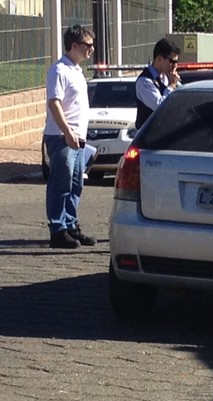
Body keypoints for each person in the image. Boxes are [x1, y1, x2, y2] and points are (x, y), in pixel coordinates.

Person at [43, 25, 97, 249]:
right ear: (73, 45)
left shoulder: (76, 70)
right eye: (88, 45)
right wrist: (67, 132)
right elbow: (54, 103)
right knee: (60, 184)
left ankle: (71, 226)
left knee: (76, 185)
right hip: (61, 137)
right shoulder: (59, 70)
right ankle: (58, 230)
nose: (91, 49)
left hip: (78, 138)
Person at [135, 38, 181, 130]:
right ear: (159, 59)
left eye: (176, 62)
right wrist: (171, 85)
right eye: (172, 62)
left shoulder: (168, 78)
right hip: (149, 137)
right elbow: (159, 107)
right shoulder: (145, 81)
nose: (175, 66)